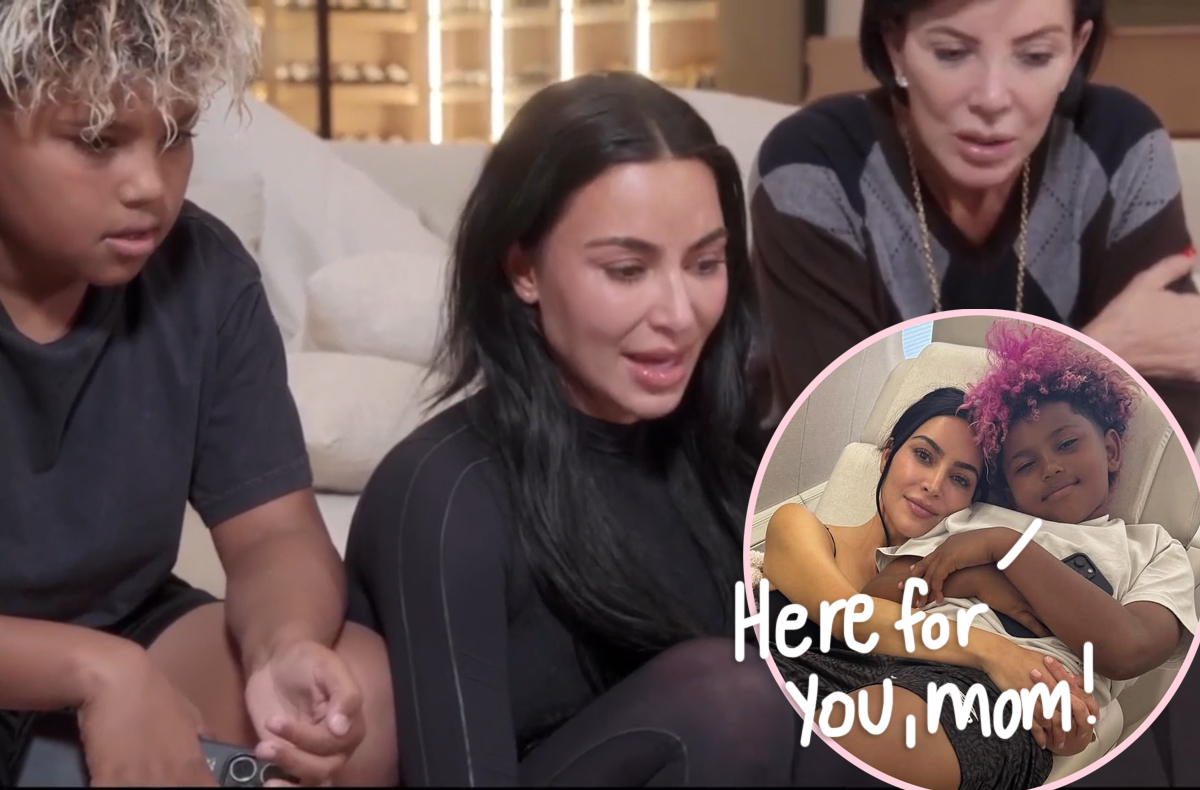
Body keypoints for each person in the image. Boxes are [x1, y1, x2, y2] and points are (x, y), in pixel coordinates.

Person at [343, 71, 882, 788]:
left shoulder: (744, 470)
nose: (679, 314)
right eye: (628, 270)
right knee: (732, 699)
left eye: (705, 264)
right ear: (523, 269)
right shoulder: (444, 496)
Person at [0, 2, 396, 786]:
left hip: (125, 626)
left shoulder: (204, 275)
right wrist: (95, 672)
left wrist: (284, 647)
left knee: (359, 701)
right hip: (73, 657)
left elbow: (274, 534)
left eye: (176, 135)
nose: (149, 185)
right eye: (96, 140)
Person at [748, 0, 1200, 444]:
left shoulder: (1118, 145)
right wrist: (1098, 350)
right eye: (952, 53)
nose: (992, 98)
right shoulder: (814, 166)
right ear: (895, 43)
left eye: (1035, 56)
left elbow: (1168, 423)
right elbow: (844, 439)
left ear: (1076, 49)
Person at [872, 320, 1196, 769]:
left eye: (1067, 444)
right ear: (1008, 486)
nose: (1049, 467)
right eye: (1025, 465)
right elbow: (874, 595)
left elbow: (1130, 648)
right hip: (897, 651)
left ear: (1111, 450)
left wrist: (1006, 547)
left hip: (1003, 699)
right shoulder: (973, 516)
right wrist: (977, 578)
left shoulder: (1153, 550)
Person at [760, 387, 1102, 790]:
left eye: (960, 478)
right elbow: (848, 615)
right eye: (923, 455)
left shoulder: (958, 598)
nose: (934, 485)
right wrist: (995, 651)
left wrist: (1067, 722)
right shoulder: (800, 526)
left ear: (973, 503)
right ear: (888, 455)